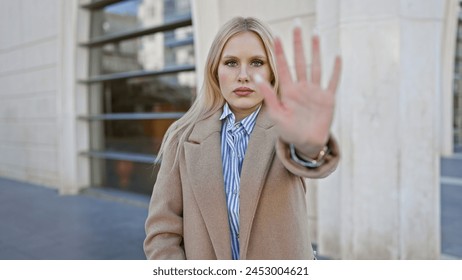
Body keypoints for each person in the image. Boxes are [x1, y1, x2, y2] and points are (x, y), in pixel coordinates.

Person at [144, 16, 342, 260]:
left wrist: (313, 147)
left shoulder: (288, 130)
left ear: (272, 73)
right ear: (215, 70)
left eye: (257, 62)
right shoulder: (182, 136)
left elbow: (310, 158)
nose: (244, 75)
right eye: (231, 63)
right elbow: (161, 233)